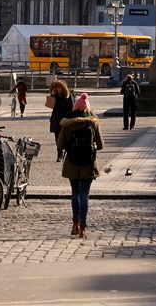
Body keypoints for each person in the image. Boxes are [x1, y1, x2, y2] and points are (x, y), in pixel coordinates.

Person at [57, 92, 103, 238]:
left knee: (75, 193)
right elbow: (100, 145)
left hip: (72, 162)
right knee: (85, 194)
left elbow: (60, 144)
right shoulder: (93, 123)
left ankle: (75, 224)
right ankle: (83, 227)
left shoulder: (67, 124)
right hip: (89, 163)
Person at [49, 78, 73, 161]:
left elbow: (71, 108)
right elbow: (49, 105)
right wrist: (52, 95)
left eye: (60, 87)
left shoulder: (68, 96)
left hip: (64, 120)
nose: (58, 89)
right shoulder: (55, 96)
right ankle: (59, 154)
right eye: (57, 87)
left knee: (66, 137)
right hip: (56, 120)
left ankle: (67, 153)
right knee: (57, 138)